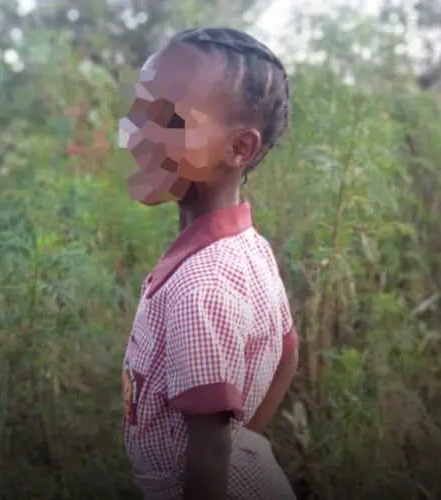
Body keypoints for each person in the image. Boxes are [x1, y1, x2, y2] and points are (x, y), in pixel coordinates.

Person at [118, 26, 298, 500]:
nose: (139, 135)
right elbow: (287, 354)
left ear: (239, 149)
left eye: (171, 120)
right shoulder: (250, 247)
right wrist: (246, 442)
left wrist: (229, 451)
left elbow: (210, 453)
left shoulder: (201, 288)